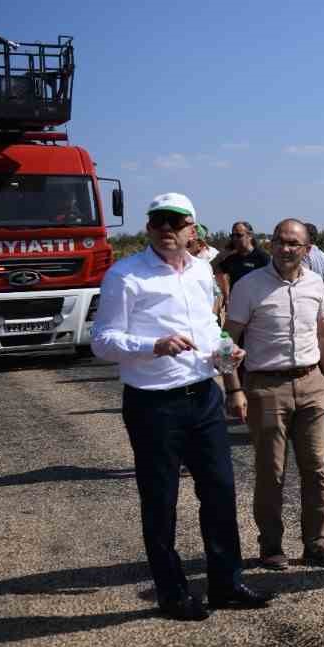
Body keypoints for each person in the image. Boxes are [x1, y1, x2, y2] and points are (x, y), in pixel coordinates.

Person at [90, 192, 273, 621]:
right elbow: (101, 341)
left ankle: (225, 584)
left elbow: (209, 328)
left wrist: (229, 358)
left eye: (177, 222)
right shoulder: (126, 276)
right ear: (150, 228)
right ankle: (171, 593)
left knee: (221, 493)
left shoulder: (201, 272)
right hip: (154, 405)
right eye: (159, 222)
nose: (168, 229)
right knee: (161, 501)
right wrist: (153, 346)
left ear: (193, 229)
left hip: (204, 396)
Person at [222, 219, 324, 570]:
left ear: (308, 249)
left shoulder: (315, 283)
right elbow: (225, 341)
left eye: (294, 243)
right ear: (272, 244)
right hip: (266, 387)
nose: (286, 248)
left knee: (317, 470)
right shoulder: (249, 286)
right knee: (270, 472)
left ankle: (317, 543)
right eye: (280, 241)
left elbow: (323, 335)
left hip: (312, 384)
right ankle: (271, 546)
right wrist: (233, 388)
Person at [214, 221, 270, 301]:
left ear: (250, 236)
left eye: (239, 235)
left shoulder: (262, 257)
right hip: (237, 303)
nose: (235, 239)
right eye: (232, 236)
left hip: (257, 303)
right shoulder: (231, 258)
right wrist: (226, 294)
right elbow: (215, 269)